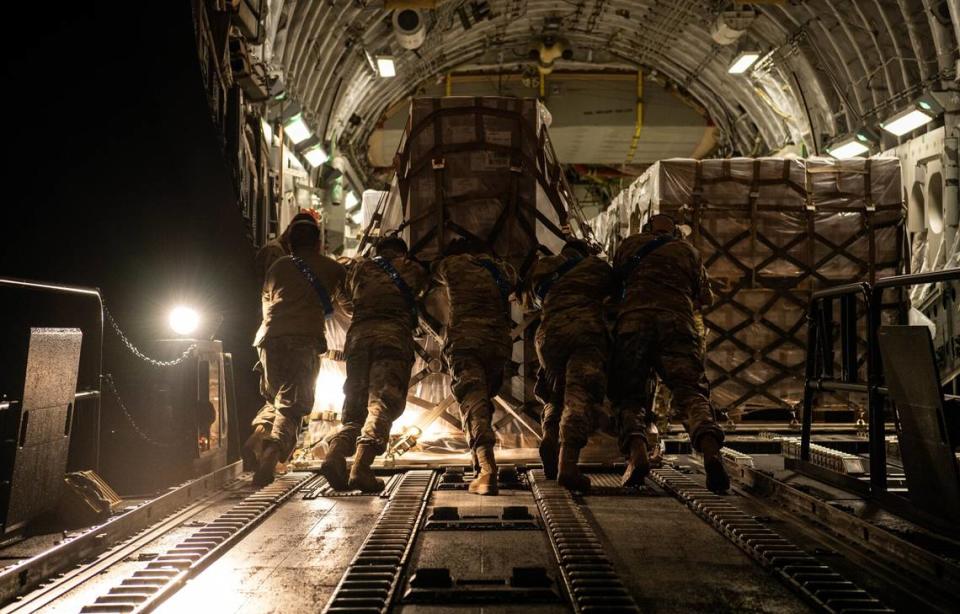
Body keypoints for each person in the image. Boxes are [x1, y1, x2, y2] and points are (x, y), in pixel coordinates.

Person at [610, 213, 730, 493]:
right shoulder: (687, 250)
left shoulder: (629, 246)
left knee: (628, 395)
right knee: (690, 393)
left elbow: (613, 287)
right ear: (675, 231)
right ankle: (711, 451)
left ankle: (637, 452)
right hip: (677, 325)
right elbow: (705, 297)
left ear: (646, 228)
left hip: (633, 326)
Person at [243, 216, 346, 487]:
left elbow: (266, 303)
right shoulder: (332, 268)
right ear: (318, 242)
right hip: (302, 342)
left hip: (268, 341)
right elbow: (348, 307)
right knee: (293, 407)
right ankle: (271, 455)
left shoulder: (277, 266)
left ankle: (257, 435)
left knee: (274, 398)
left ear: (291, 241)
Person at [320, 236, 427, 492]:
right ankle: (361, 469)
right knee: (382, 403)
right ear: (402, 253)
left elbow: (344, 298)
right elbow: (423, 297)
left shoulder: (359, 267)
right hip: (391, 337)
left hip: (357, 338)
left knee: (355, 404)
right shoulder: (412, 268)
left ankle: (335, 455)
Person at [525, 238, 615, 491]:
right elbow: (615, 297)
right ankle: (568, 465)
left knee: (555, 391)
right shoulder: (597, 267)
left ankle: (550, 435)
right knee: (579, 394)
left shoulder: (544, 266)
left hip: (548, 336)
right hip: (586, 333)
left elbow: (532, 300)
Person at [429, 238, 516, 496]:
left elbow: (429, 273)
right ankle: (480, 464)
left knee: (474, 402)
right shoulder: (503, 270)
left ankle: (487, 470)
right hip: (497, 344)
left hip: (466, 341)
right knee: (482, 400)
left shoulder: (450, 265)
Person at [254, 212, 319, 283]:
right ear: (290, 230)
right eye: (299, 234)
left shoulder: (284, 251)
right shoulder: (274, 251)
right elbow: (277, 284)